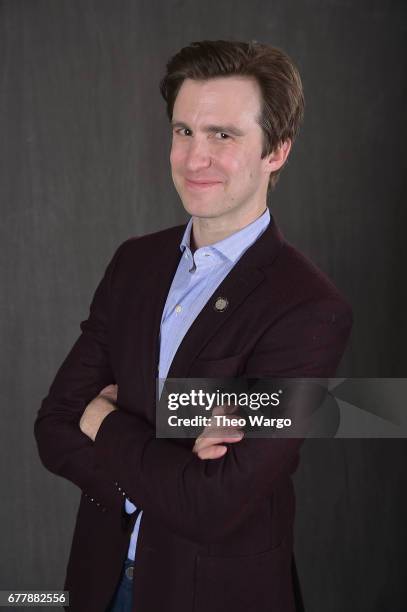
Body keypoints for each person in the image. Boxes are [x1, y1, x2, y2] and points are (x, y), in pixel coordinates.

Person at [34, 39, 353, 612]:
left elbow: (213, 505)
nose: (193, 157)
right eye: (184, 131)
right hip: (98, 583)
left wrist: (105, 417)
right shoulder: (134, 262)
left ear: (276, 151)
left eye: (222, 136)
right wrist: (169, 456)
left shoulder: (308, 308)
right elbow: (55, 424)